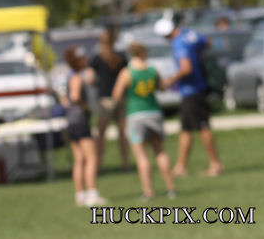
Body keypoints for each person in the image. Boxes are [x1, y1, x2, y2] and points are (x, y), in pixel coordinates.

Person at [156, 13, 224, 177]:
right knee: (186, 128)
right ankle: (181, 166)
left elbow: (186, 68)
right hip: (197, 88)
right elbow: (207, 42)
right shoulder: (189, 35)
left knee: (202, 127)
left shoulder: (179, 43)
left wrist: (170, 80)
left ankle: (215, 164)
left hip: (192, 90)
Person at [112, 41, 177, 200]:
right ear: (143, 53)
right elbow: (162, 88)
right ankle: (171, 188)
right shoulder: (152, 70)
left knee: (141, 156)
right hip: (154, 111)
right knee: (160, 151)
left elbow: (116, 95)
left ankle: (148, 191)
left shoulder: (127, 72)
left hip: (135, 113)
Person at [62, 46, 106, 206]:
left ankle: (80, 195)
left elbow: (65, 99)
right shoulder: (76, 77)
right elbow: (74, 96)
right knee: (91, 158)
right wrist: (86, 106)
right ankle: (92, 193)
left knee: (79, 159)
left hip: (71, 120)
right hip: (80, 120)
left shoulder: (69, 76)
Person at [90, 27, 130, 172]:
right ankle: (126, 164)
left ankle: (98, 165)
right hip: (121, 98)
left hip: (105, 99)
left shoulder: (97, 58)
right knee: (122, 134)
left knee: (101, 135)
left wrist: (98, 85)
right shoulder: (121, 57)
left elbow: (89, 79)